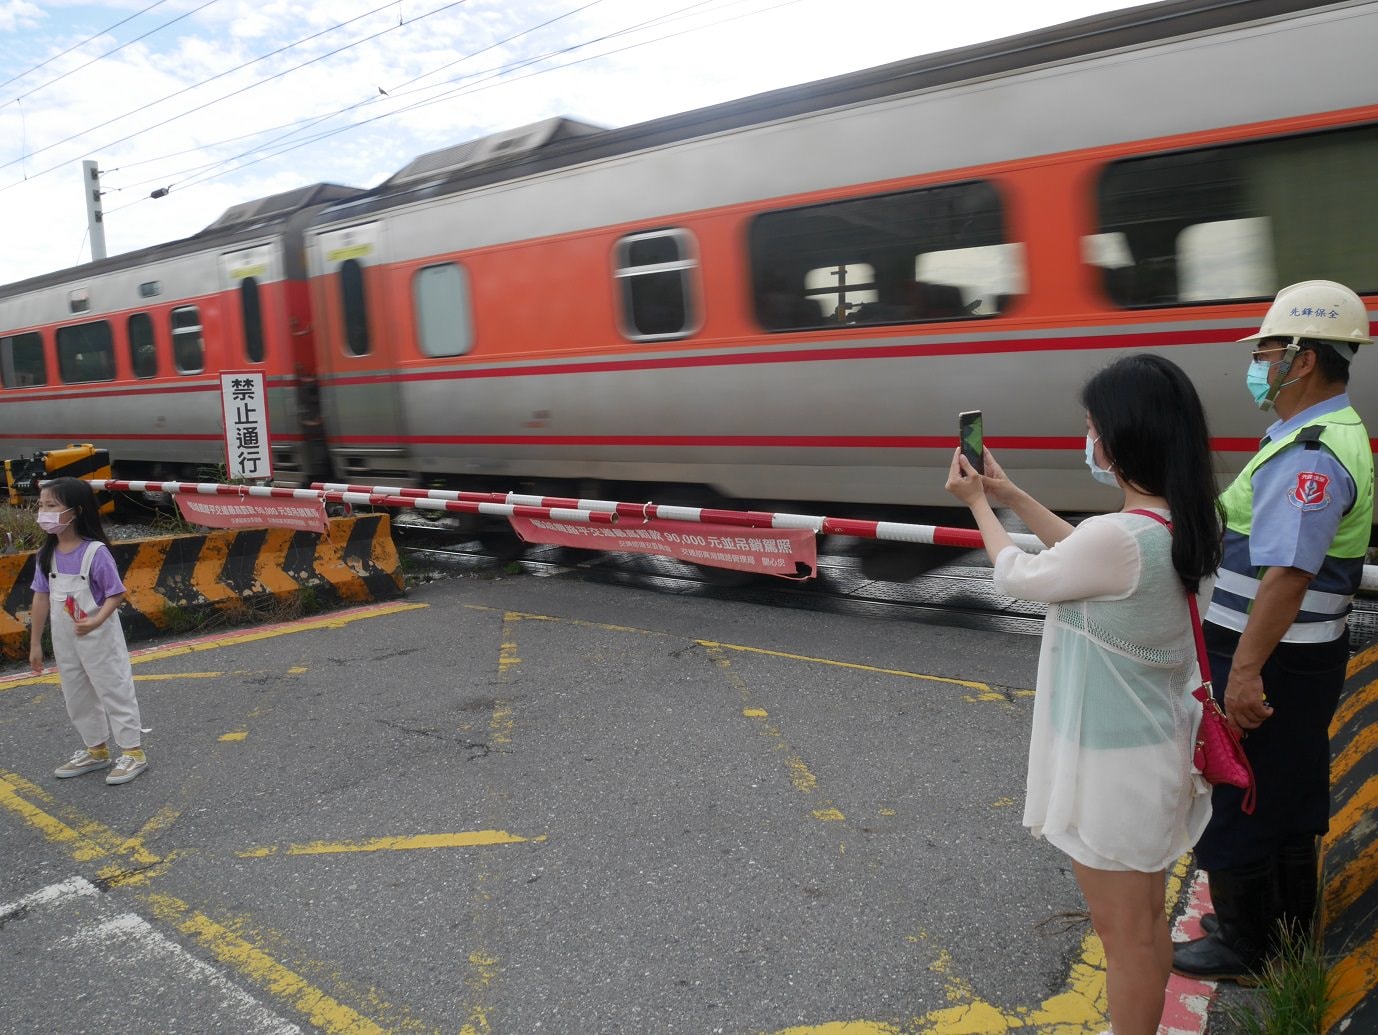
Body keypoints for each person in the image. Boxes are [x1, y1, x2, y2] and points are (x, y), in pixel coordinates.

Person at [945, 353, 1222, 1035]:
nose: (1089, 439)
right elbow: (1081, 555)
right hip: (1151, 753)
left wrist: (978, 501)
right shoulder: (1175, 526)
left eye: (1093, 427)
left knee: (1123, 936)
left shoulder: (1120, 539)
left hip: (1112, 771)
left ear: (1125, 437)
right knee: (1144, 926)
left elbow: (1018, 575)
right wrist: (1011, 496)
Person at [1172, 280, 1374, 983]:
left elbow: (1287, 573)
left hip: (1276, 656)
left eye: (1265, 351)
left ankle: (1245, 945)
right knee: (1286, 788)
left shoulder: (1311, 450)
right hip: (1293, 655)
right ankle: (1279, 927)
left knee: (1245, 791)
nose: (1256, 363)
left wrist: (1245, 670)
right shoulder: (1308, 434)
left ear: (1303, 358)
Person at [27, 477, 148, 786]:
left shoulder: (95, 553)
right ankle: (96, 750)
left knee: (113, 688)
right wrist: (35, 644)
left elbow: (115, 593)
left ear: (76, 511)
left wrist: (96, 621)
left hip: (98, 636)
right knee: (76, 693)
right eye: (41, 505)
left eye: (52, 505)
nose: (44, 512)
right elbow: (40, 597)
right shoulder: (46, 555)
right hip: (65, 639)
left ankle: (133, 752)